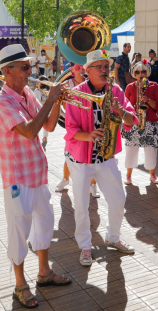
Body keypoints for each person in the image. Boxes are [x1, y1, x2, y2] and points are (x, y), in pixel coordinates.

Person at [0, 43, 72, 308]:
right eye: (25, 67)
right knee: (19, 230)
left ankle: (44, 272)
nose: (30, 71)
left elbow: (48, 125)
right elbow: (28, 131)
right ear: (8, 71)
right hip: (17, 179)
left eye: (30, 66)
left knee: (45, 223)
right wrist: (50, 98)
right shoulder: (1, 101)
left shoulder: (27, 92)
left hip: (37, 173)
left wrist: (57, 103)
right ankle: (19, 284)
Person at [65, 49, 137, 267]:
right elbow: (70, 129)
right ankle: (85, 246)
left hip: (106, 158)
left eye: (107, 66)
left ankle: (113, 237)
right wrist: (89, 135)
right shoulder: (76, 93)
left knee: (118, 199)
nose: (105, 70)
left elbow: (131, 120)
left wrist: (121, 111)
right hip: (81, 161)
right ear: (88, 71)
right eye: (100, 67)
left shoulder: (116, 90)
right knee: (81, 205)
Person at [54, 63, 100, 197]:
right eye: (77, 67)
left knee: (93, 154)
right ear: (73, 70)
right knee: (69, 152)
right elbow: (61, 103)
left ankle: (93, 184)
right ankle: (65, 179)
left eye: (82, 68)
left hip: (88, 123)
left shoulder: (90, 83)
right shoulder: (67, 84)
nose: (81, 70)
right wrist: (65, 100)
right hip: (73, 122)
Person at [123, 60, 158, 185]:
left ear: (148, 72)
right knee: (131, 149)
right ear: (134, 74)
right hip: (134, 121)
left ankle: (153, 175)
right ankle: (128, 175)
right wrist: (134, 106)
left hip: (150, 122)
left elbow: (157, 106)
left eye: (144, 71)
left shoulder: (154, 85)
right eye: (138, 72)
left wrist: (148, 100)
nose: (141, 74)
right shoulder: (130, 87)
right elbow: (125, 105)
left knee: (150, 150)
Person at [33, 76, 51, 147]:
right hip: (47, 110)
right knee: (46, 124)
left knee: (37, 125)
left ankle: (36, 137)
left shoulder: (37, 91)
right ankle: (45, 137)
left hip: (39, 110)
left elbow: (34, 101)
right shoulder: (49, 90)